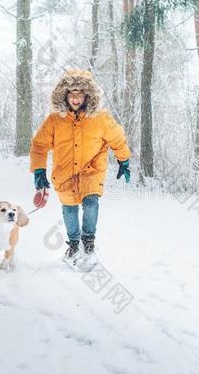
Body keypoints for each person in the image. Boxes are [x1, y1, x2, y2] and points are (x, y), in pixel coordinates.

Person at [29, 69, 130, 266]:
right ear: (64, 95)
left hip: (92, 170)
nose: (75, 98)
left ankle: (89, 242)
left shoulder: (101, 118)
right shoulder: (54, 119)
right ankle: (74, 243)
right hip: (65, 172)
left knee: (91, 203)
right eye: (71, 93)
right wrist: (39, 169)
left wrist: (123, 159)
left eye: (80, 93)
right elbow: (39, 145)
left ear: (88, 95)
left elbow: (117, 138)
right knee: (69, 210)